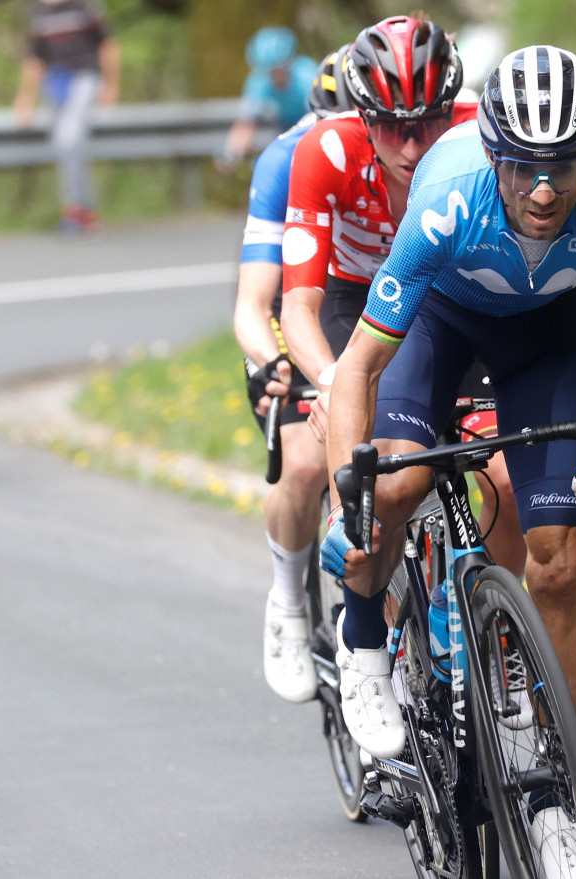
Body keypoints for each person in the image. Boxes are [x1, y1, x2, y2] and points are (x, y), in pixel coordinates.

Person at [320, 44, 576, 876]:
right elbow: (358, 366)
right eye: (525, 171)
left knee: (561, 562)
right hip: (440, 325)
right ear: (494, 154)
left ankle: (549, 778)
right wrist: (347, 494)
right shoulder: (443, 203)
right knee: (396, 482)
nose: (545, 193)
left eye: (565, 170)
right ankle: (364, 636)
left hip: (548, 342)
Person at [259, 14, 524, 706]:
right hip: (356, 300)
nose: (411, 145)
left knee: (501, 465)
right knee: (357, 463)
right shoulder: (326, 151)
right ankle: (360, 636)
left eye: (429, 120)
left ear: (454, 109)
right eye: (390, 125)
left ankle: (495, 630)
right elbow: (299, 306)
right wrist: (328, 384)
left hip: (448, 298)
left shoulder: (482, 137)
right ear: (362, 114)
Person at [234, 44, 353, 703]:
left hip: (373, 306)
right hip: (300, 310)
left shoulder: (408, 149)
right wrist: (270, 359)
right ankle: (287, 599)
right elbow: (254, 303)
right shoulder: (285, 160)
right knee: (306, 465)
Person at [12, 0, 121, 233]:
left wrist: (111, 85)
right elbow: (35, 59)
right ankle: (82, 208)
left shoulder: (84, 8)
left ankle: (74, 208)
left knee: (68, 139)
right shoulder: (38, 13)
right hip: (55, 82)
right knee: (64, 148)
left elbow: (107, 45)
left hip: (84, 78)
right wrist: (25, 98)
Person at [219, 26, 316, 171]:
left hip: (312, 127)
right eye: (269, 72)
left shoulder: (307, 77)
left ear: (288, 64)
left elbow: (323, 119)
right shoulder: (258, 83)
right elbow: (246, 124)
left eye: (277, 71)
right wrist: (230, 153)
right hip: (283, 130)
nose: (273, 77)